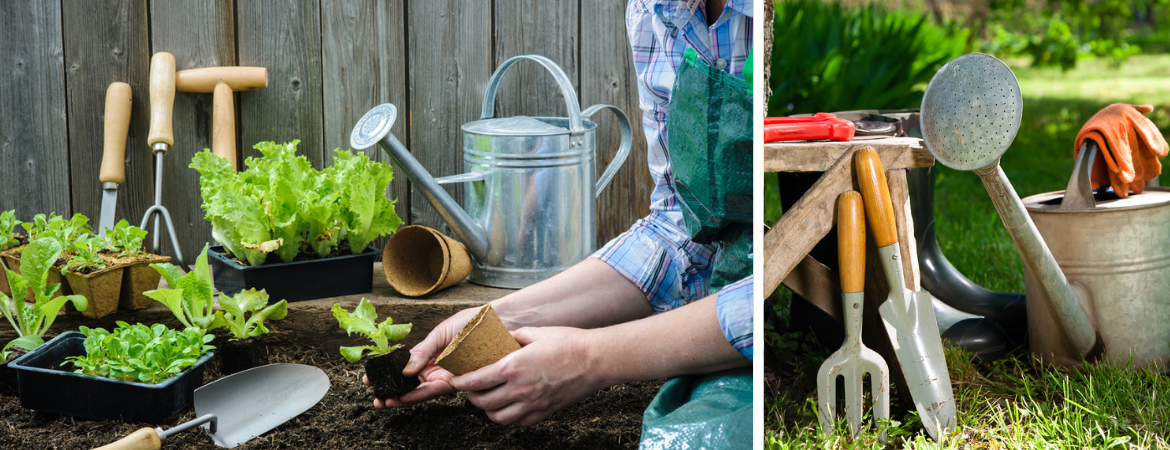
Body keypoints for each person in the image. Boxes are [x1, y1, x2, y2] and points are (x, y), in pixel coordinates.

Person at [368, 0, 754, 445]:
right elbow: (680, 232)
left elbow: (755, 300)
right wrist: (498, 319)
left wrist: (589, 359)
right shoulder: (655, 12)